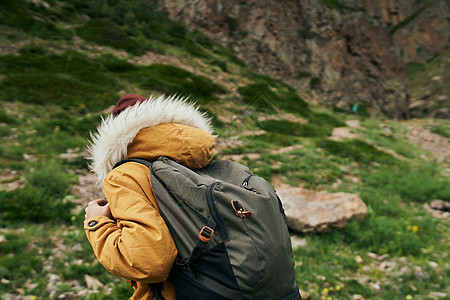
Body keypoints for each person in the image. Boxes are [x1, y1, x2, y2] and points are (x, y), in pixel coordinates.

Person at [84, 94, 215, 299]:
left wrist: (97, 223)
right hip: (231, 282)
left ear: (115, 134)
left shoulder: (124, 174)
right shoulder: (201, 160)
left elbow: (150, 263)